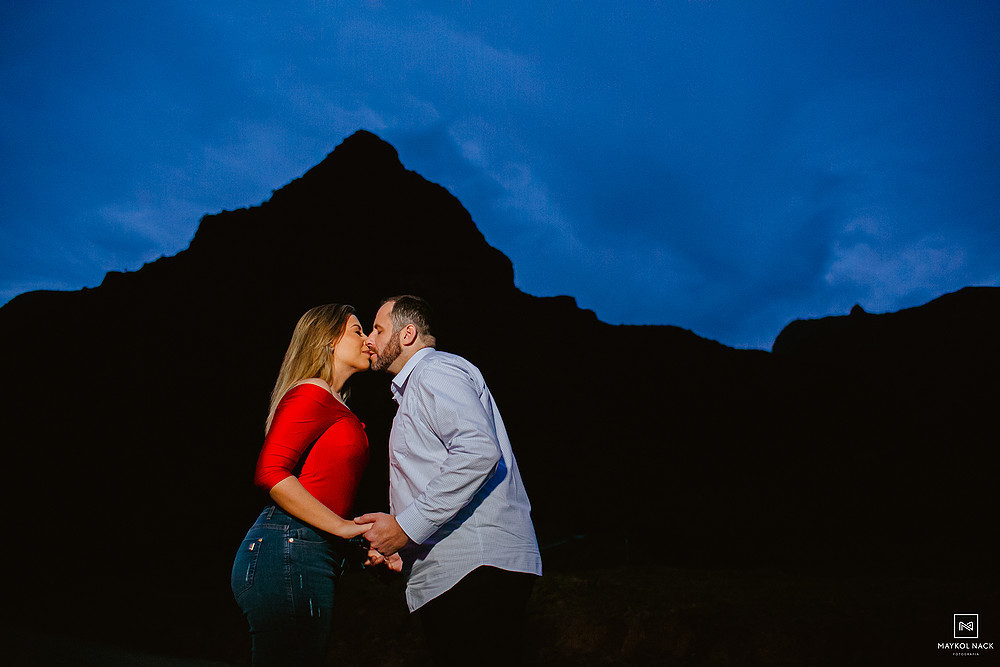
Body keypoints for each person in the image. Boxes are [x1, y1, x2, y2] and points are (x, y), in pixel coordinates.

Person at [356, 295, 543, 665]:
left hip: (474, 569)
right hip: (458, 571)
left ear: (407, 333)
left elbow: (477, 450)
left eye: (378, 329)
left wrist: (406, 529)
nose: (370, 340)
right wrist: (402, 549)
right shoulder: (419, 387)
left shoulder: (434, 371)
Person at [231, 303, 386, 666]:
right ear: (328, 340)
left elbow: (327, 490)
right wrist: (344, 528)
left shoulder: (335, 404)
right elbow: (270, 472)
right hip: (286, 547)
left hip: (308, 551)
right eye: (357, 330)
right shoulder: (312, 391)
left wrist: (360, 544)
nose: (367, 340)